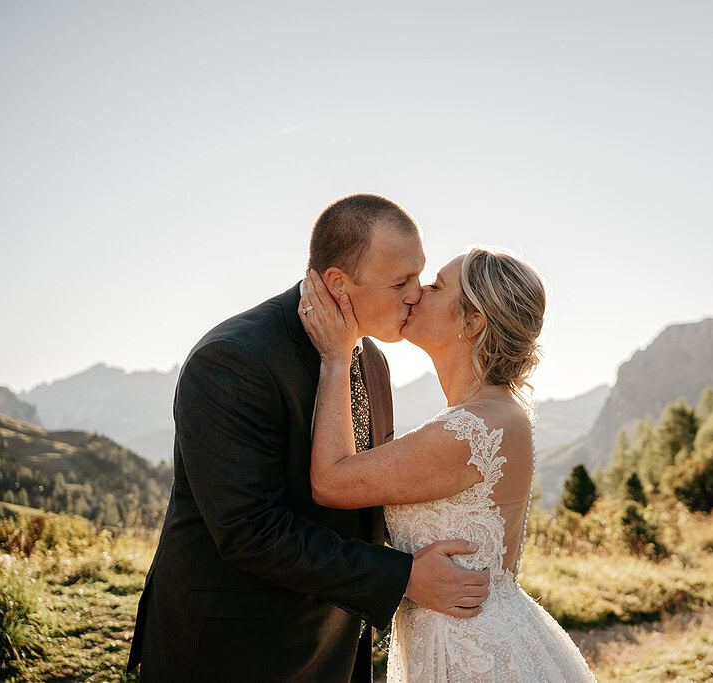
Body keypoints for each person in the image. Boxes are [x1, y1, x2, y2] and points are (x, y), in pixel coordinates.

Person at [128, 194, 490, 681]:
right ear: (338, 283)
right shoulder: (232, 360)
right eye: (400, 282)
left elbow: (361, 500)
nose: (417, 293)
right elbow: (250, 531)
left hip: (329, 646)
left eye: (419, 275)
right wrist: (403, 577)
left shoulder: (373, 361)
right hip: (231, 649)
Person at [298, 247, 598, 681]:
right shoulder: (493, 414)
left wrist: (336, 358)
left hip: (469, 656)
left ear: (472, 322)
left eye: (437, 286)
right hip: (469, 638)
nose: (418, 292)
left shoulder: (472, 430)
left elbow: (331, 481)